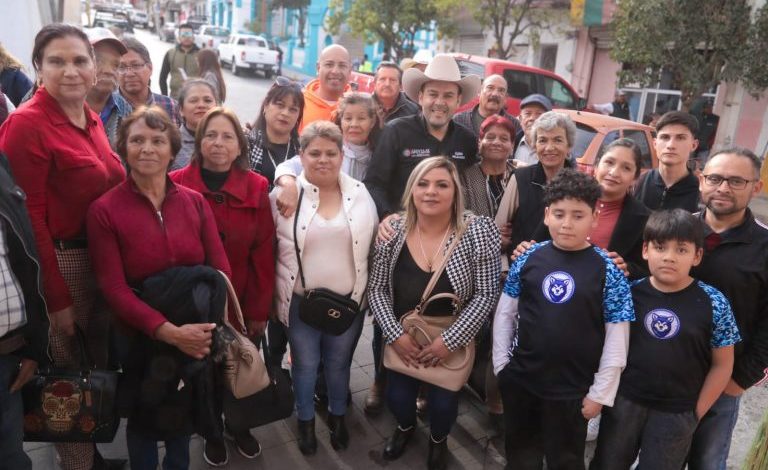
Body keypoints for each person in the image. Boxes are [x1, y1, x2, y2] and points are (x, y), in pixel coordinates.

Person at [0, 23, 127, 470]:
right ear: (37, 68)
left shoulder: (90, 117)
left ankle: (86, 452)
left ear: (94, 68)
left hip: (99, 259)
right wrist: (55, 300)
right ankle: (77, 463)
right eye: (57, 61)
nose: (70, 71)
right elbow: (25, 220)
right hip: (61, 262)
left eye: (79, 60)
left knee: (90, 367)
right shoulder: (26, 124)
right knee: (64, 378)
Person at [87, 106, 231, 470]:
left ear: (172, 149)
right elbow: (113, 287)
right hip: (140, 337)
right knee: (143, 422)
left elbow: (219, 271)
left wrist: (203, 330)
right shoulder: (104, 210)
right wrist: (167, 332)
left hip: (195, 334)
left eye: (157, 140)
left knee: (182, 416)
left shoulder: (195, 202)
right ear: (123, 148)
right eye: (137, 140)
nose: (147, 148)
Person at [493, 169, 634, 470]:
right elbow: (506, 314)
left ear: (594, 217)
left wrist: (600, 393)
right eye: (559, 214)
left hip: (573, 390)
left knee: (565, 460)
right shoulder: (529, 258)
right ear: (546, 215)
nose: (567, 224)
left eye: (578, 215)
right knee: (520, 454)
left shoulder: (608, 270)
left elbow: (617, 335)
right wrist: (502, 366)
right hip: (523, 380)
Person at [368, 156, 500, 470]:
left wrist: (450, 342)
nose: (431, 192)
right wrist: (395, 335)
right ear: (411, 190)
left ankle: (438, 440)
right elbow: (376, 290)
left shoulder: (477, 232)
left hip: (450, 336)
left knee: (443, 406)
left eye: (442, 185)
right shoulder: (394, 232)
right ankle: (405, 428)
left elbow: (486, 293)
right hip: (404, 335)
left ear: (455, 192)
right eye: (423, 184)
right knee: (398, 399)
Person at [591, 209, 740, 470]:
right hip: (624, 402)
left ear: (697, 256)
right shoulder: (628, 293)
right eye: (661, 247)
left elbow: (723, 364)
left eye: (681, 250)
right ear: (646, 250)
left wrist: (696, 411)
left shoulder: (714, 302)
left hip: (677, 412)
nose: (669, 257)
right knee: (608, 463)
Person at [170, 107, 275, 465]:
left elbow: (264, 253)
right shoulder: (176, 182)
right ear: (199, 143)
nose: (218, 143)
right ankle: (212, 430)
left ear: (239, 146)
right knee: (205, 375)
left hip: (241, 302)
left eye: (227, 136)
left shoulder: (258, 186)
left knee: (241, 366)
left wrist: (259, 311)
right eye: (210, 135)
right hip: (194, 304)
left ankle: (240, 425)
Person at [271, 121, 377, 455]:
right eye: (314, 152)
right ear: (300, 156)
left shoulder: (360, 193)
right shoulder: (283, 195)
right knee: (303, 365)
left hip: (349, 304)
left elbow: (375, 244)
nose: (323, 159)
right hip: (302, 305)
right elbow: (267, 248)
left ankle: (338, 415)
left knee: (338, 365)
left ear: (342, 155)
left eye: (331, 153)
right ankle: (304, 422)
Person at [687, 148, 768, 470]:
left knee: (707, 461)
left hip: (724, 380)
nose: (723, 188)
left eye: (736, 181)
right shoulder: (678, 231)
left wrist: (741, 380)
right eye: (715, 178)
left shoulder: (764, 247)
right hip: (665, 375)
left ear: (756, 187)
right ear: (701, 181)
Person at [364, 54, 481, 218]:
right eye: (433, 94)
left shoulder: (466, 139)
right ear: (421, 97)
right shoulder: (396, 132)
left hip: (449, 235)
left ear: (458, 100)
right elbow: (373, 184)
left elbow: (475, 182)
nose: (440, 102)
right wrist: (386, 215)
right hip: (402, 231)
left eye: (448, 95)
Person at [0, 152, 50, 470]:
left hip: (7, 356)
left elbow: (27, 260)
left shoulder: (2, 166)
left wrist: (35, 346)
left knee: (11, 456)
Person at [495, 111, 575, 268]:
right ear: (534, 145)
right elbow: (499, 232)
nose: (549, 148)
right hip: (520, 268)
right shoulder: (520, 178)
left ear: (569, 147)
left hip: (562, 270)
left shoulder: (577, 185)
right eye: (542, 140)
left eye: (558, 140)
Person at [633, 111, 700, 212]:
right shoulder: (638, 182)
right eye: (665, 137)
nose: (670, 145)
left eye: (680, 138)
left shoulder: (700, 192)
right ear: (655, 144)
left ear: (694, 145)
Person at [247, 76, 304, 193]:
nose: (285, 113)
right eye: (280, 105)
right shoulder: (247, 144)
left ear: (299, 116)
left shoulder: (303, 150)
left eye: (293, 109)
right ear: (265, 106)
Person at [116, 37, 181, 126]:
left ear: (150, 68)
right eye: (122, 67)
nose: (129, 73)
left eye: (136, 65)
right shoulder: (106, 109)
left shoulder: (171, 107)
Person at [462, 115, 518, 217]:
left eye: (504, 139)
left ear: (512, 146)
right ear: (479, 143)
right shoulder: (464, 177)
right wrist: (487, 227)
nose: (496, 142)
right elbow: (458, 212)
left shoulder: (520, 176)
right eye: (490, 137)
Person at [84, 28, 128, 149]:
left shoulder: (125, 110)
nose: (109, 71)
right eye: (98, 61)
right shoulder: (56, 102)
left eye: (116, 65)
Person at [299, 44, 352, 133]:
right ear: (318, 68)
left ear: (350, 70)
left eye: (342, 66)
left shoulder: (357, 106)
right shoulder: (299, 102)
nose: (335, 71)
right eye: (329, 65)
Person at [453, 74, 522, 139]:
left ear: (506, 98)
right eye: (490, 88)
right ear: (479, 92)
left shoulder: (515, 125)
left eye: (501, 90)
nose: (495, 94)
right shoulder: (459, 120)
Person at [174, 79, 218, 170]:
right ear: (181, 110)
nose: (201, 105)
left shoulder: (231, 139)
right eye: (193, 101)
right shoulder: (171, 143)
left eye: (207, 100)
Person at [159, 23, 200, 99]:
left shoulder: (201, 54)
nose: (186, 37)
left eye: (189, 34)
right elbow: (162, 78)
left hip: (196, 98)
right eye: (183, 35)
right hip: (175, 97)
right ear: (179, 37)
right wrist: (164, 97)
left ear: (193, 37)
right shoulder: (170, 53)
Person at [513, 94, 553, 166]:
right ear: (520, 119)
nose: (532, 118)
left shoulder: (556, 152)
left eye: (539, 114)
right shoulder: (510, 145)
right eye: (528, 114)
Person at [692, 100, 719, 169]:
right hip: (692, 145)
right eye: (707, 107)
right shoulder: (696, 117)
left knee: (700, 166)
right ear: (703, 108)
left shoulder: (715, 119)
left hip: (704, 147)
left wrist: (709, 144)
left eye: (711, 107)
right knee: (689, 165)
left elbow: (715, 133)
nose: (710, 109)